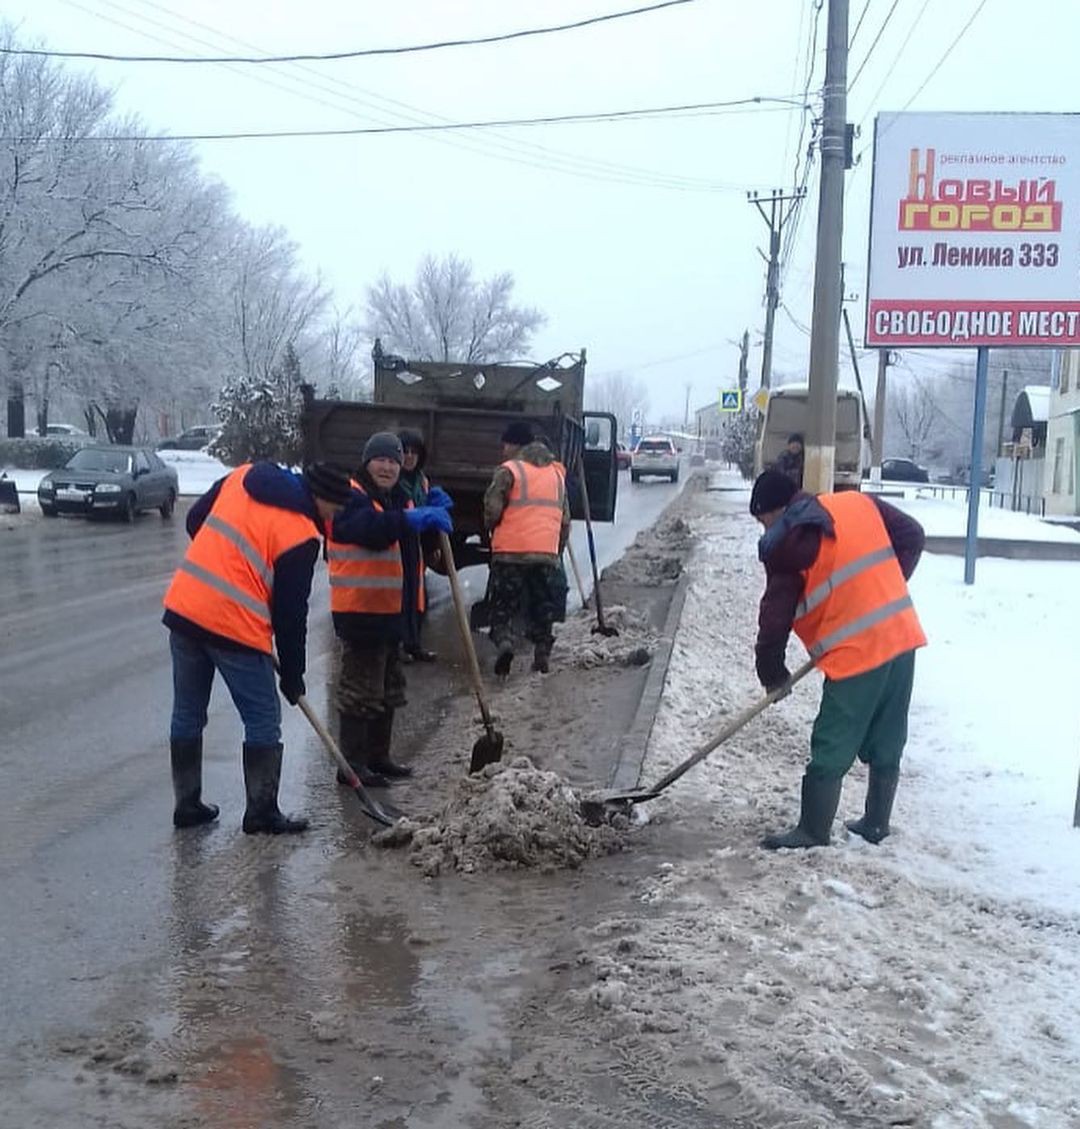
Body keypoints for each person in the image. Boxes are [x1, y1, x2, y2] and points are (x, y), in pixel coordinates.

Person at [163, 460, 353, 834]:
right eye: (337, 508)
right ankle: (261, 812)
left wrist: (221, 562)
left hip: (185, 606)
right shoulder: (300, 533)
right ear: (322, 499)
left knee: (187, 712)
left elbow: (196, 518)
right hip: (234, 626)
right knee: (263, 718)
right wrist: (294, 676)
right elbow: (290, 614)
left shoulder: (244, 475)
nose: (336, 517)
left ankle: (187, 805)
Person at [750, 469, 927, 850]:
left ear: (775, 511)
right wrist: (884, 589)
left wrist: (772, 673)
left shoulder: (787, 541)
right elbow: (912, 535)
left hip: (857, 652)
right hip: (900, 633)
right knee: (888, 732)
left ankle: (813, 831)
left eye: (763, 521)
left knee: (833, 739)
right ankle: (876, 823)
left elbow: (774, 618)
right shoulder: (856, 502)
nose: (765, 531)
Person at [328, 431, 453, 786]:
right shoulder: (350, 497)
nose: (387, 467)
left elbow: (415, 535)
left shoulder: (396, 498)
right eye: (380, 460)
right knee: (360, 691)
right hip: (359, 610)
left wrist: (434, 509)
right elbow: (369, 529)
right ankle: (352, 766)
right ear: (367, 462)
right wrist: (409, 519)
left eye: (393, 461)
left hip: (391, 610)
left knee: (387, 688)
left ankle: (378, 757)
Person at [484, 421, 571, 677]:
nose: (503, 450)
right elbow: (565, 519)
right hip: (545, 553)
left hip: (511, 552)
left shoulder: (508, 471)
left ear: (516, 445)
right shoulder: (556, 474)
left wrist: (492, 528)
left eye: (506, 444)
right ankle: (542, 650)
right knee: (542, 606)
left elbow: (492, 509)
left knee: (503, 606)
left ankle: (505, 642)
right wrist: (557, 549)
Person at [397, 429, 437, 663]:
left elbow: (426, 516)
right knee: (401, 595)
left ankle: (414, 642)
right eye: (406, 452)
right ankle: (401, 643)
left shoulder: (422, 481)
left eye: (414, 452)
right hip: (397, 543)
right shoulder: (394, 480)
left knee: (418, 594)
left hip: (416, 544)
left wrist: (432, 545)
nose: (410, 457)